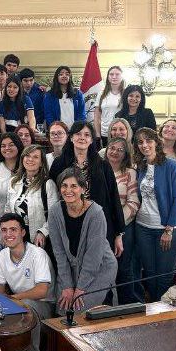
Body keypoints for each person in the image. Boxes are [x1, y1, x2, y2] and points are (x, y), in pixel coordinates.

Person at [49, 122, 125, 256]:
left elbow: (114, 198)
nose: (82, 137)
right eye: (78, 134)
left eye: (87, 135)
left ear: (91, 140)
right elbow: (52, 195)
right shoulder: (59, 163)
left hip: (99, 223)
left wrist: (118, 234)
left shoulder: (103, 165)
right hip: (69, 223)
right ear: (71, 137)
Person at [0, 212, 53, 351]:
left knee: (26, 306)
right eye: (4, 230)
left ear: (23, 232)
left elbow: (42, 291)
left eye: (13, 229)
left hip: (44, 307)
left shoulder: (37, 254)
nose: (8, 234)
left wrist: (13, 299)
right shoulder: (3, 255)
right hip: (18, 302)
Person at [48, 168, 118, 311]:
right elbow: (59, 252)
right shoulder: (55, 212)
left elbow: (94, 257)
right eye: (64, 185)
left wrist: (80, 288)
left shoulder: (96, 213)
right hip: (72, 269)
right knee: (62, 308)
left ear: (83, 188)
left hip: (100, 268)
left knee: (78, 309)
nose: (68, 190)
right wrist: (67, 285)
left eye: (74, 186)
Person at [132, 127, 176, 300]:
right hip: (143, 228)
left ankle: (162, 316)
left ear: (157, 142)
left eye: (148, 140)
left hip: (168, 229)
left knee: (163, 278)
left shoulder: (171, 166)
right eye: (140, 142)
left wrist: (168, 230)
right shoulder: (140, 167)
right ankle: (153, 313)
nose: (144, 145)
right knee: (149, 275)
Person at [104, 138, 140, 304]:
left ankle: (127, 307)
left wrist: (116, 225)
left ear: (125, 154)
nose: (114, 152)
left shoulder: (130, 172)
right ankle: (105, 307)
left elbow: (133, 202)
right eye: (112, 148)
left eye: (120, 150)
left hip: (124, 227)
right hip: (102, 228)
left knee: (124, 269)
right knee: (104, 269)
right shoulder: (99, 169)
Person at [4, 145, 59, 250]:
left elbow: (54, 215)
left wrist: (43, 232)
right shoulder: (14, 181)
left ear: (42, 162)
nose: (30, 159)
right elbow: (8, 209)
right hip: (16, 237)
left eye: (35, 157)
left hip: (38, 239)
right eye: (27, 156)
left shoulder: (48, 184)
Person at [93, 66, 125, 146]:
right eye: (111, 74)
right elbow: (97, 117)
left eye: (117, 74)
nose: (114, 77)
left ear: (122, 77)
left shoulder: (126, 93)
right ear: (108, 77)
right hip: (105, 133)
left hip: (121, 133)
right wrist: (97, 135)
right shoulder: (101, 93)